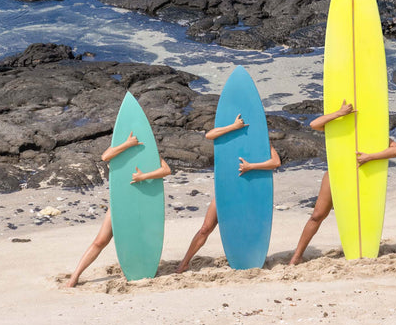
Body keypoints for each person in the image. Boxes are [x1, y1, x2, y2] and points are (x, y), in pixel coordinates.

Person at [288, 101, 396, 264]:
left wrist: (370, 157)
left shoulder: (373, 132)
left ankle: (361, 251)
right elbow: (314, 124)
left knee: (359, 216)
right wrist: (339, 113)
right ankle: (297, 256)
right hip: (336, 174)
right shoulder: (339, 127)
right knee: (317, 215)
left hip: (363, 177)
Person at [65, 131, 171, 287]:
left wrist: (144, 177)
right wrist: (127, 144)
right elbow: (105, 157)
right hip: (119, 203)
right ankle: (74, 277)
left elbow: (166, 170)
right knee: (100, 241)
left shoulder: (150, 151)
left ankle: (135, 272)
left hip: (141, 204)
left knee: (134, 240)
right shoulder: (120, 148)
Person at [177, 113, 282, 272]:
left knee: (242, 228)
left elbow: (276, 162)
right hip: (225, 190)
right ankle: (184, 263)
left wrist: (251, 167)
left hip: (246, 192)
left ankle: (248, 261)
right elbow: (209, 135)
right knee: (206, 228)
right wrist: (233, 127)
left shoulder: (261, 140)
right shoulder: (228, 135)